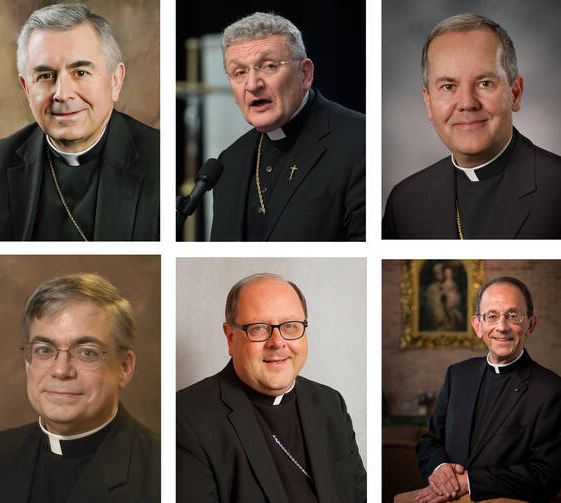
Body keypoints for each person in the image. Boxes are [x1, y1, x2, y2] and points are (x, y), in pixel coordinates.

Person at [177, 273, 366, 502]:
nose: (277, 342)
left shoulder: (330, 403)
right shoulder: (186, 416)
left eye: (290, 326)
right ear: (230, 337)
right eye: (258, 328)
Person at [0, 3, 159, 241]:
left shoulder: (162, 161)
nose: (62, 93)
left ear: (115, 81)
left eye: (80, 72)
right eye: (46, 76)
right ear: (27, 89)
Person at [382, 13, 561, 239]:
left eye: (485, 83)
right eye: (448, 86)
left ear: (515, 94)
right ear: (428, 101)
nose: (467, 103)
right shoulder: (404, 202)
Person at [0, 273, 160, 502]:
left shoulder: (165, 470)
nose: (61, 370)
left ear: (124, 368)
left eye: (87, 352)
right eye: (44, 350)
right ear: (28, 362)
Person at [210, 12, 365, 241]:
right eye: (240, 72)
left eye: (269, 66)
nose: (252, 85)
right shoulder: (228, 162)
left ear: (305, 73)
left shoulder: (360, 141)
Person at [415, 277, 561, 502]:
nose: (501, 327)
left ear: (530, 324)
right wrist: (440, 468)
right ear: (478, 325)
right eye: (492, 316)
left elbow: (547, 474)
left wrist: (471, 481)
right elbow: (430, 441)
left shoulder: (550, 389)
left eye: (513, 316)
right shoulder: (457, 375)